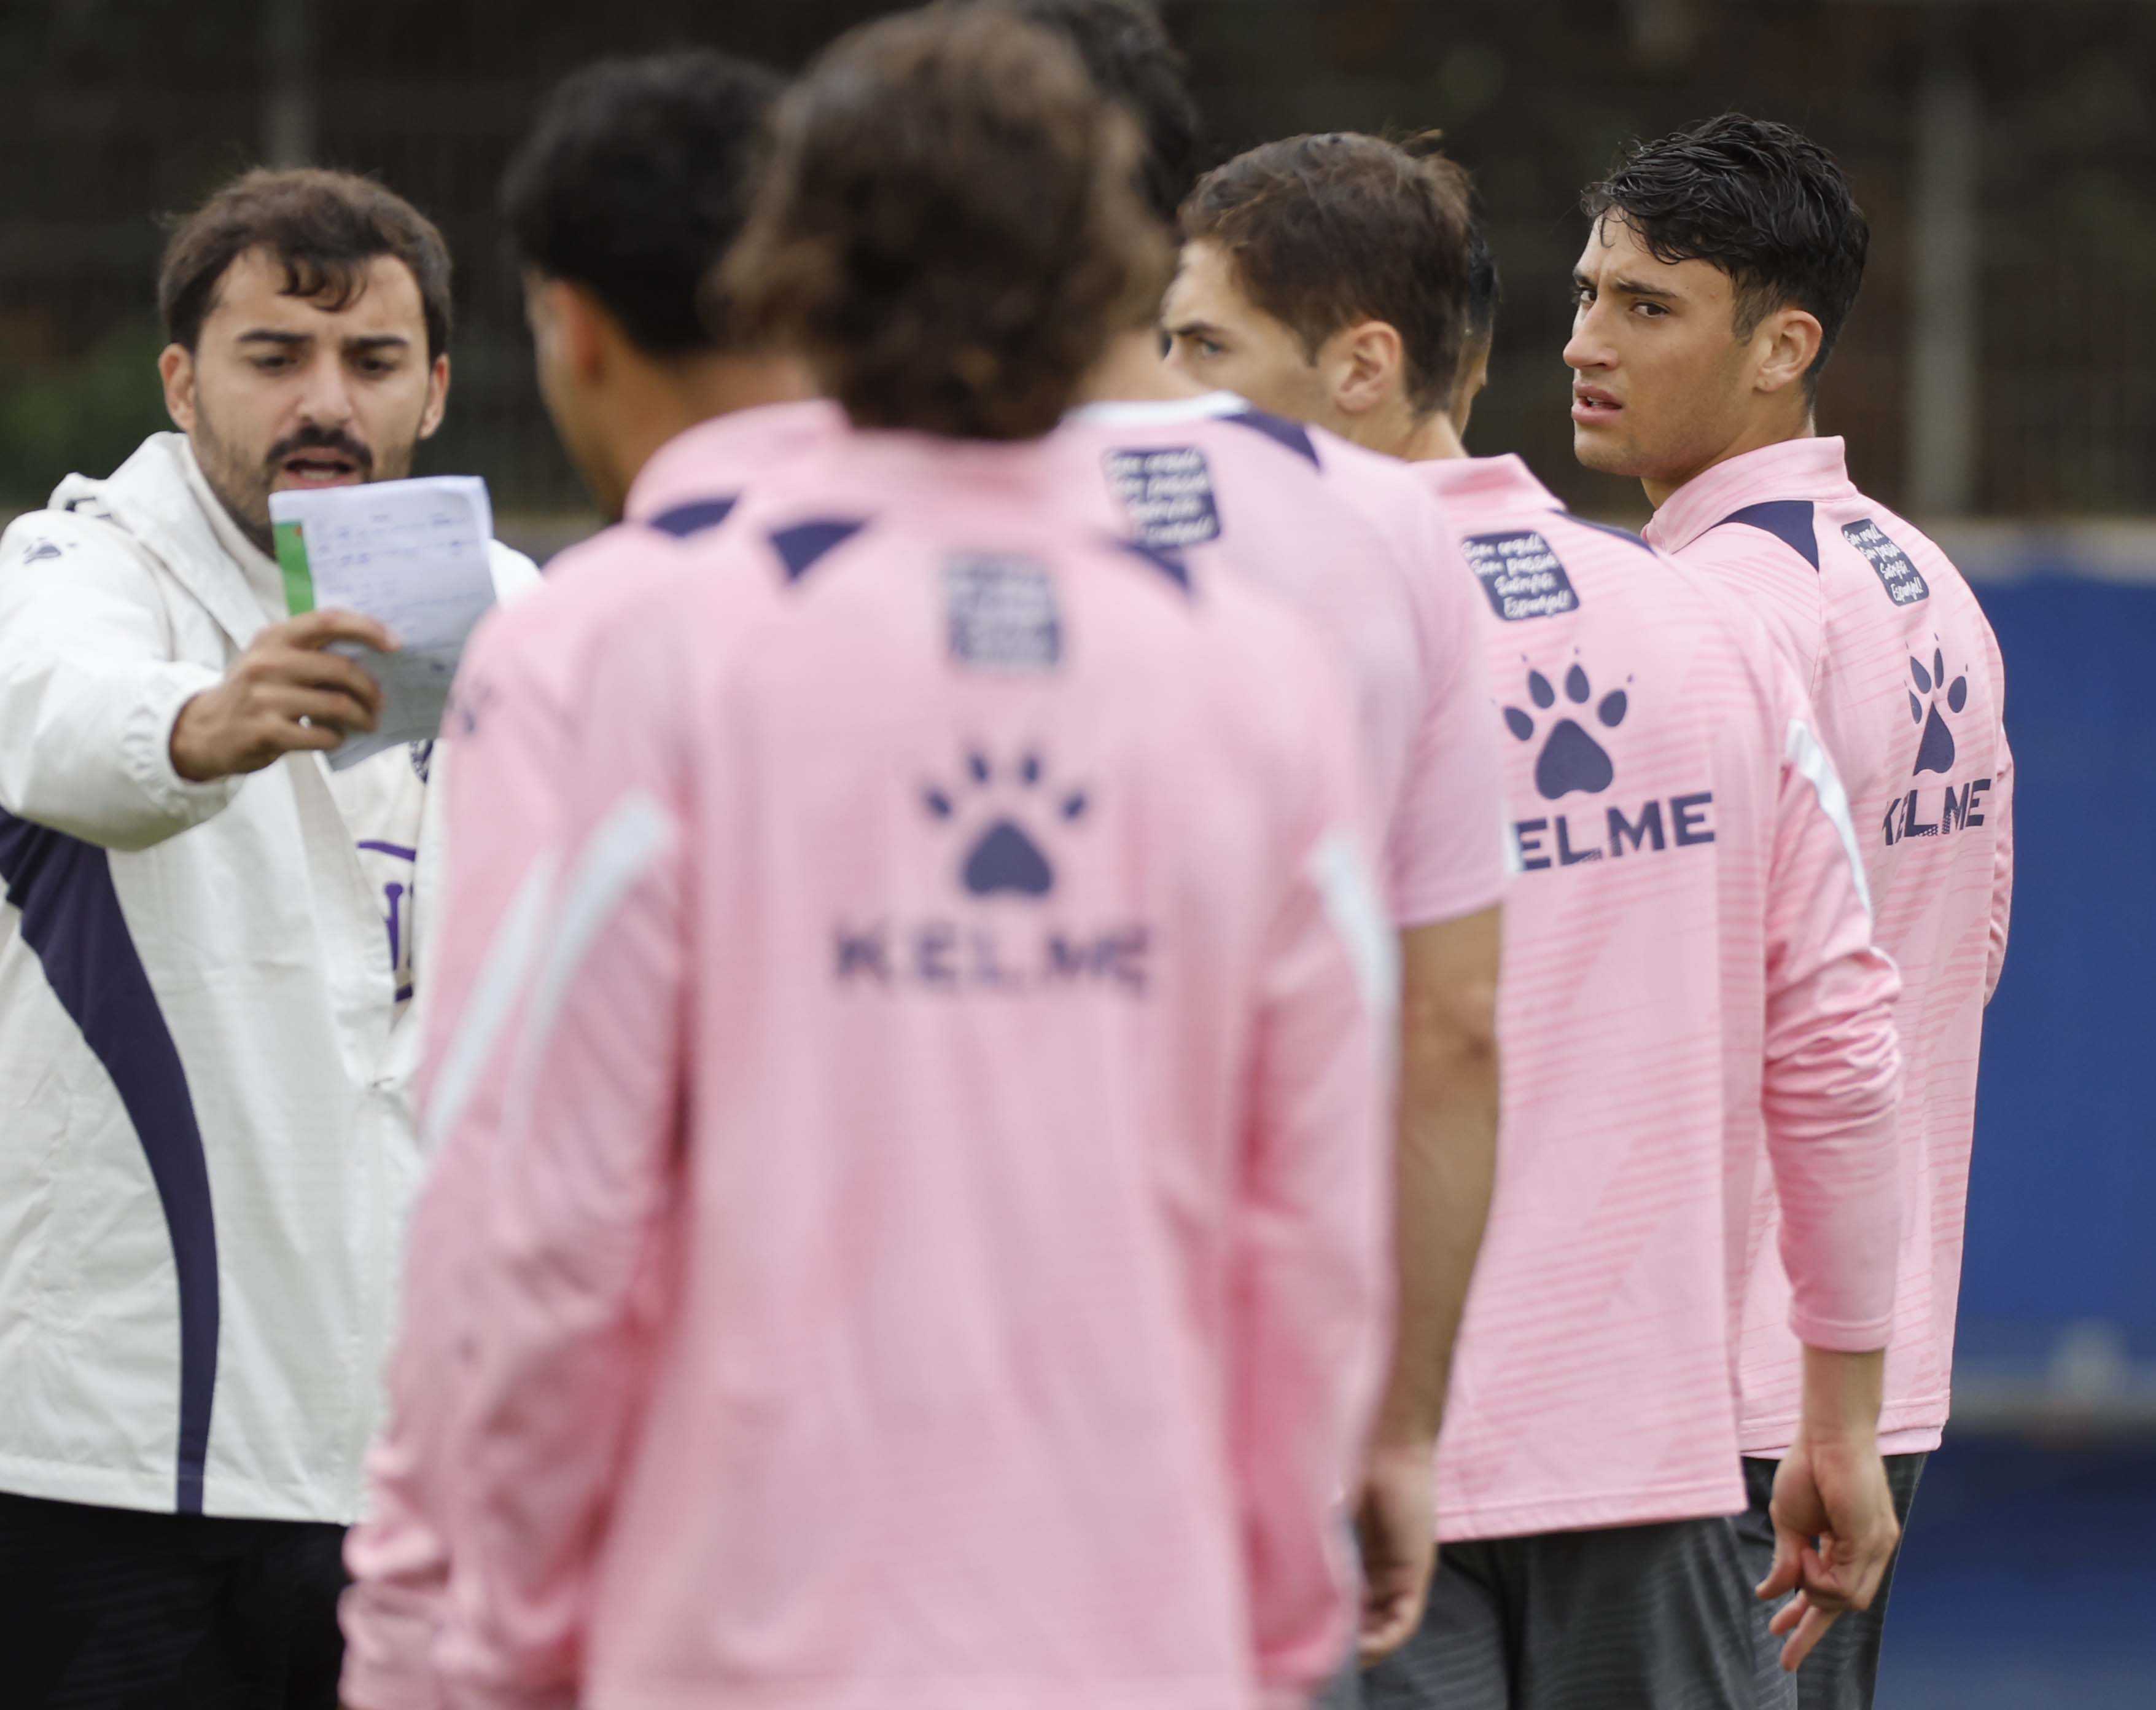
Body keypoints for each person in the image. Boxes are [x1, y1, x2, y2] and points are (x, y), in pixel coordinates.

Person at [402, 10, 1396, 1710]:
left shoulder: (682, 648)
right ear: (1112, 280)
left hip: (738, 1638)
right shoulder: (1253, 684)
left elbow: (554, 1223)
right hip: (1132, 1640)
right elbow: (1309, 1245)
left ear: (788, 281)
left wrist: (501, 1631)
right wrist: (1276, 1620)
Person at [1167, 130, 1910, 1710]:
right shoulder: (1702, 629)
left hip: (1351, 1467)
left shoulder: (1231, 660)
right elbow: (1844, 1042)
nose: (1166, 398)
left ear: (1362, 363)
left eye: (1201, 346)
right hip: (1654, 1461)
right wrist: (1840, 1410)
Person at [1006, 2, 1508, 1657]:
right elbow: (1448, 1031)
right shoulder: (1379, 536)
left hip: (890, 1431)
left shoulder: (742, 557)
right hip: (1235, 1413)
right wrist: (1399, 1429)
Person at [0, 168, 535, 1707]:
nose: (325, 403)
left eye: (370, 364)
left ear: (435, 389)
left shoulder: (509, 604)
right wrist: (201, 724)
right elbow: (49, 715)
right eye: (272, 358)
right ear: (182, 381)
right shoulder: (81, 562)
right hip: (110, 1459)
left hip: (401, 1461)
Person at [333, 52, 830, 1710]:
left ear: (570, 328)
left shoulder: (583, 646)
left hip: (733, 1584)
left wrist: (440, 1622)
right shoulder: (1149, 630)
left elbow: (534, 1208)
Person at [1568, 114, 2014, 1709]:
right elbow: (1971, 953)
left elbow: (1666, 1004)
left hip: (1715, 1386)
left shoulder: (1706, 618)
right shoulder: (1924, 582)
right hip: (1862, 1359)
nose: (1583, 345)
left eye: (1646, 305)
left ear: (1786, 345)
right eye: (1587, 293)